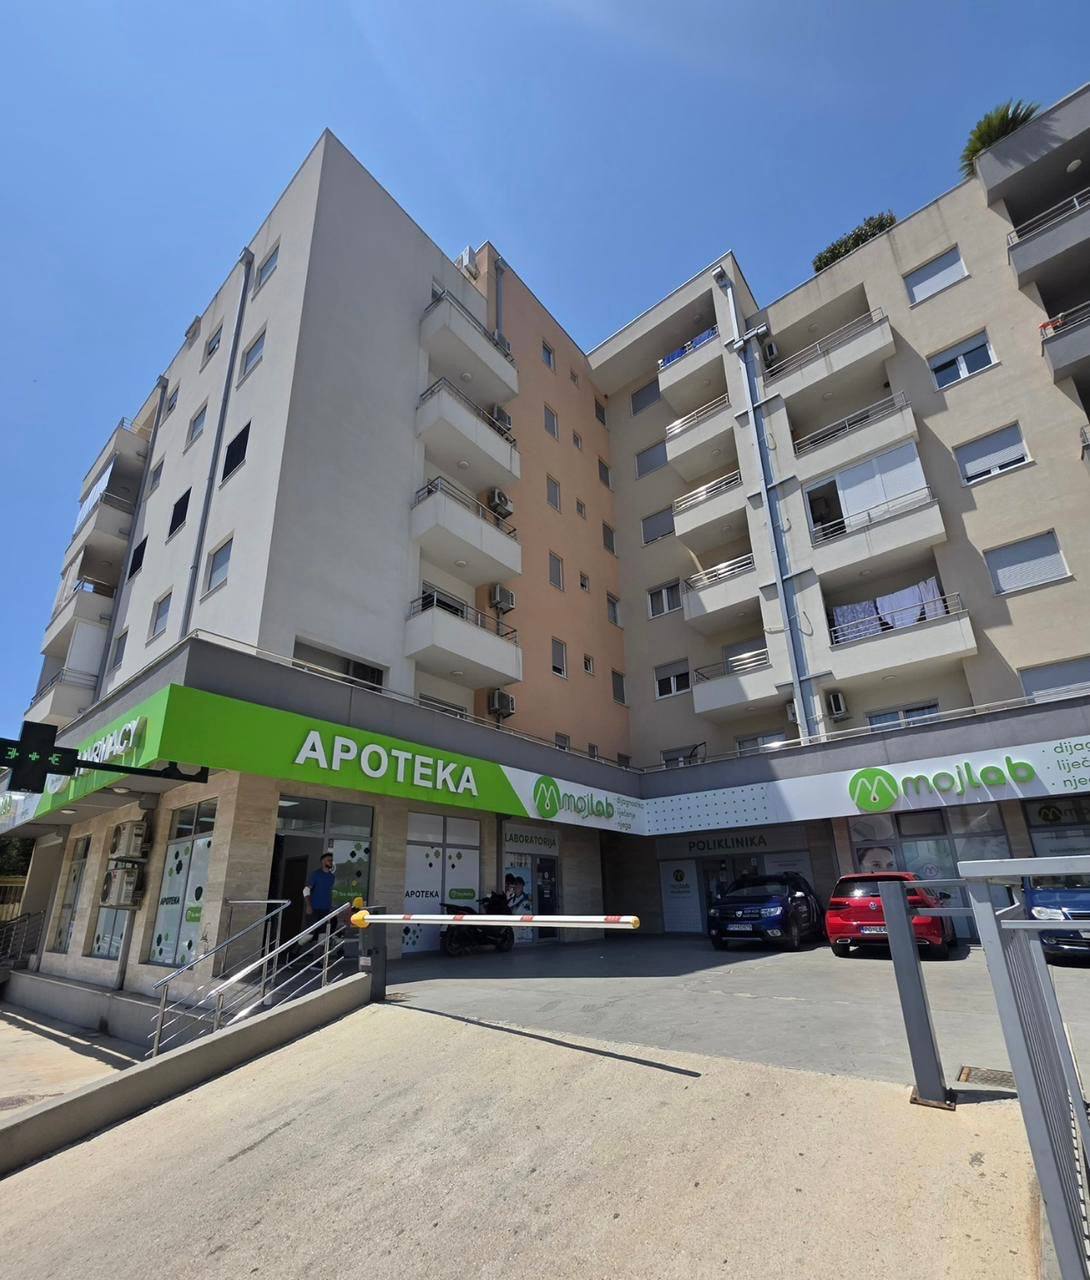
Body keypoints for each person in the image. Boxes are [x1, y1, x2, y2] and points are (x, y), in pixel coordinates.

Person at [304, 850, 337, 927]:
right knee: (311, 932)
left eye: (331, 860)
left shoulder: (332, 877)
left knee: (323, 931)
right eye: (329, 860)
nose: (331, 862)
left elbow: (328, 891)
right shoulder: (316, 874)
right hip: (314, 909)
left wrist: (331, 906)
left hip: (326, 909)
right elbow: (306, 890)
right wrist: (308, 906)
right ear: (323, 862)